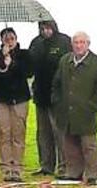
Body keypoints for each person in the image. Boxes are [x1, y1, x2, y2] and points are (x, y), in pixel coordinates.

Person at [51, 32, 97, 185]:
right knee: (70, 144)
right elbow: (56, 84)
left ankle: (92, 175)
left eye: (82, 42)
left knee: (89, 145)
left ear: (88, 44)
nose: (79, 45)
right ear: (72, 44)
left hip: (86, 113)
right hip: (66, 112)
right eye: (76, 42)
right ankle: (73, 172)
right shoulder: (65, 61)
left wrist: (93, 107)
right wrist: (57, 103)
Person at [0, 27, 33, 182]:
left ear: (16, 38)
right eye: (6, 38)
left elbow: (28, 72)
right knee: (3, 133)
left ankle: (18, 168)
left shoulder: (24, 55)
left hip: (19, 100)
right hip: (1, 100)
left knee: (18, 134)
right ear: (1, 40)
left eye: (12, 38)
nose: (9, 41)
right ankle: (6, 168)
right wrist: (3, 61)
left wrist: (12, 63)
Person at [28, 20, 71, 176]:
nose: (45, 31)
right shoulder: (36, 43)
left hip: (59, 96)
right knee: (43, 134)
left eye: (47, 27)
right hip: (41, 95)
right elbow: (30, 67)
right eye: (42, 28)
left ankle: (64, 166)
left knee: (60, 133)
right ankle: (46, 166)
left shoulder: (64, 41)